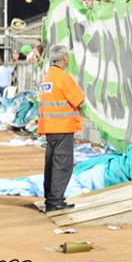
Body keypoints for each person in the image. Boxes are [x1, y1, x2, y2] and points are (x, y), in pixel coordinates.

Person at [37, 46, 86, 212]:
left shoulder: (48, 77)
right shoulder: (63, 77)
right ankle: (55, 200)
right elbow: (79, 99)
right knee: (62, 165)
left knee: (51, 164)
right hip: (63, 127)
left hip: (49, 127)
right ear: (64, 58)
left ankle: (51, 198)